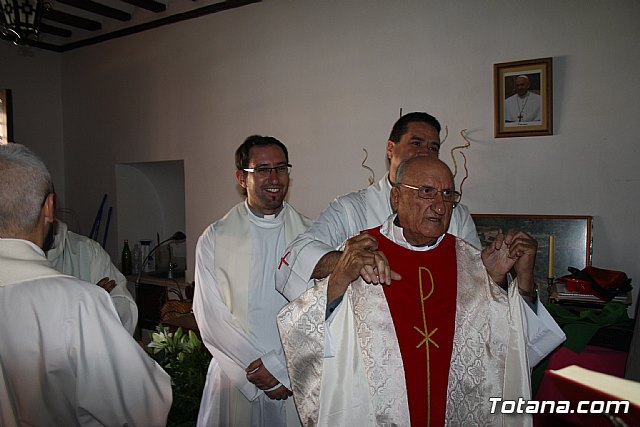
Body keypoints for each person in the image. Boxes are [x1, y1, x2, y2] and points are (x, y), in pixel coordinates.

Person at [278, 157, 561, 426]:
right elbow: (303, 334)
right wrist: (339, 279)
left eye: (448, 195)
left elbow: (514, 350)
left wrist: (515, 280)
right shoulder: (361, 252)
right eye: (427, 192)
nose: (440, 206)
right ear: (396, 198)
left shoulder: (470, 261)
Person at [275, 111, 563, 367]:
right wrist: (349, 264)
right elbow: (297, 256)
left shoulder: (454, 214)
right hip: (374, 360)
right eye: (416, 142)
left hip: (441, 351)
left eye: (434, 147)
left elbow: (477, 299)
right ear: (390, 149)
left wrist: (496, 277)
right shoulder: (352, 208)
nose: (426, 151)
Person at [0, 143, 172, 426]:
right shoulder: (78, 302)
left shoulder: (86, 257)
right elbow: (138, 408)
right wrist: (95, 303)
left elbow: (124, 302)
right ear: (50, 207)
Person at [192, 135, 311, 426]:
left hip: (293, 374)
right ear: (241, 177)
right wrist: (257, 370)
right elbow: (210, 316)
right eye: (262, 169)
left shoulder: (311, 236)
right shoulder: (216, 237)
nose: (274, 177)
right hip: (235, 374)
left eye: (281, 168)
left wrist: (281, 368)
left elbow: (320, 311)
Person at [46, 218, 138, 335]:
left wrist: (101, 303)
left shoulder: (88, 250)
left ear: (49, 206)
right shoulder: (18, 259)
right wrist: (85, 304)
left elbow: (124, 306)